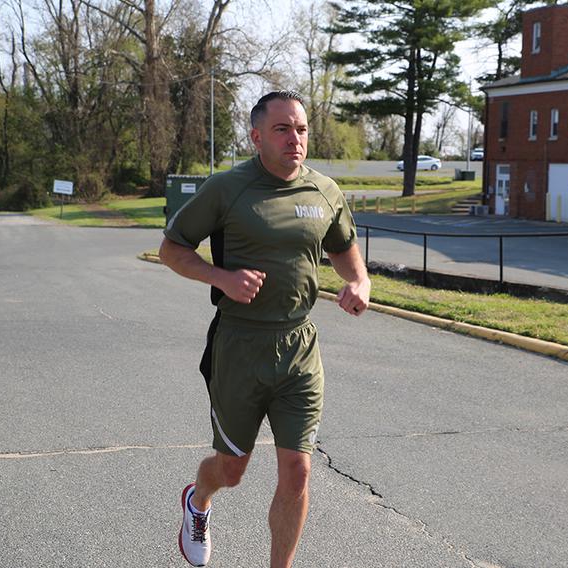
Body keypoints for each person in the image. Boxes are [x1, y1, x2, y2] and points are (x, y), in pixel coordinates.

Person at [158, 90, 371, 568]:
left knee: (297, 470)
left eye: (301, 129)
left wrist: (359, 281)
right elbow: (172, 250)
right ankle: (198, 498)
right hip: (239, 345)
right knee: (232, 470)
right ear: (256, 136)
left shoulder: (325, 191)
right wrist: (221, 277)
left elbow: (343, 248)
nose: (295, 139)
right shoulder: (227, 188)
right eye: (282, 129)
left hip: (300, 347)